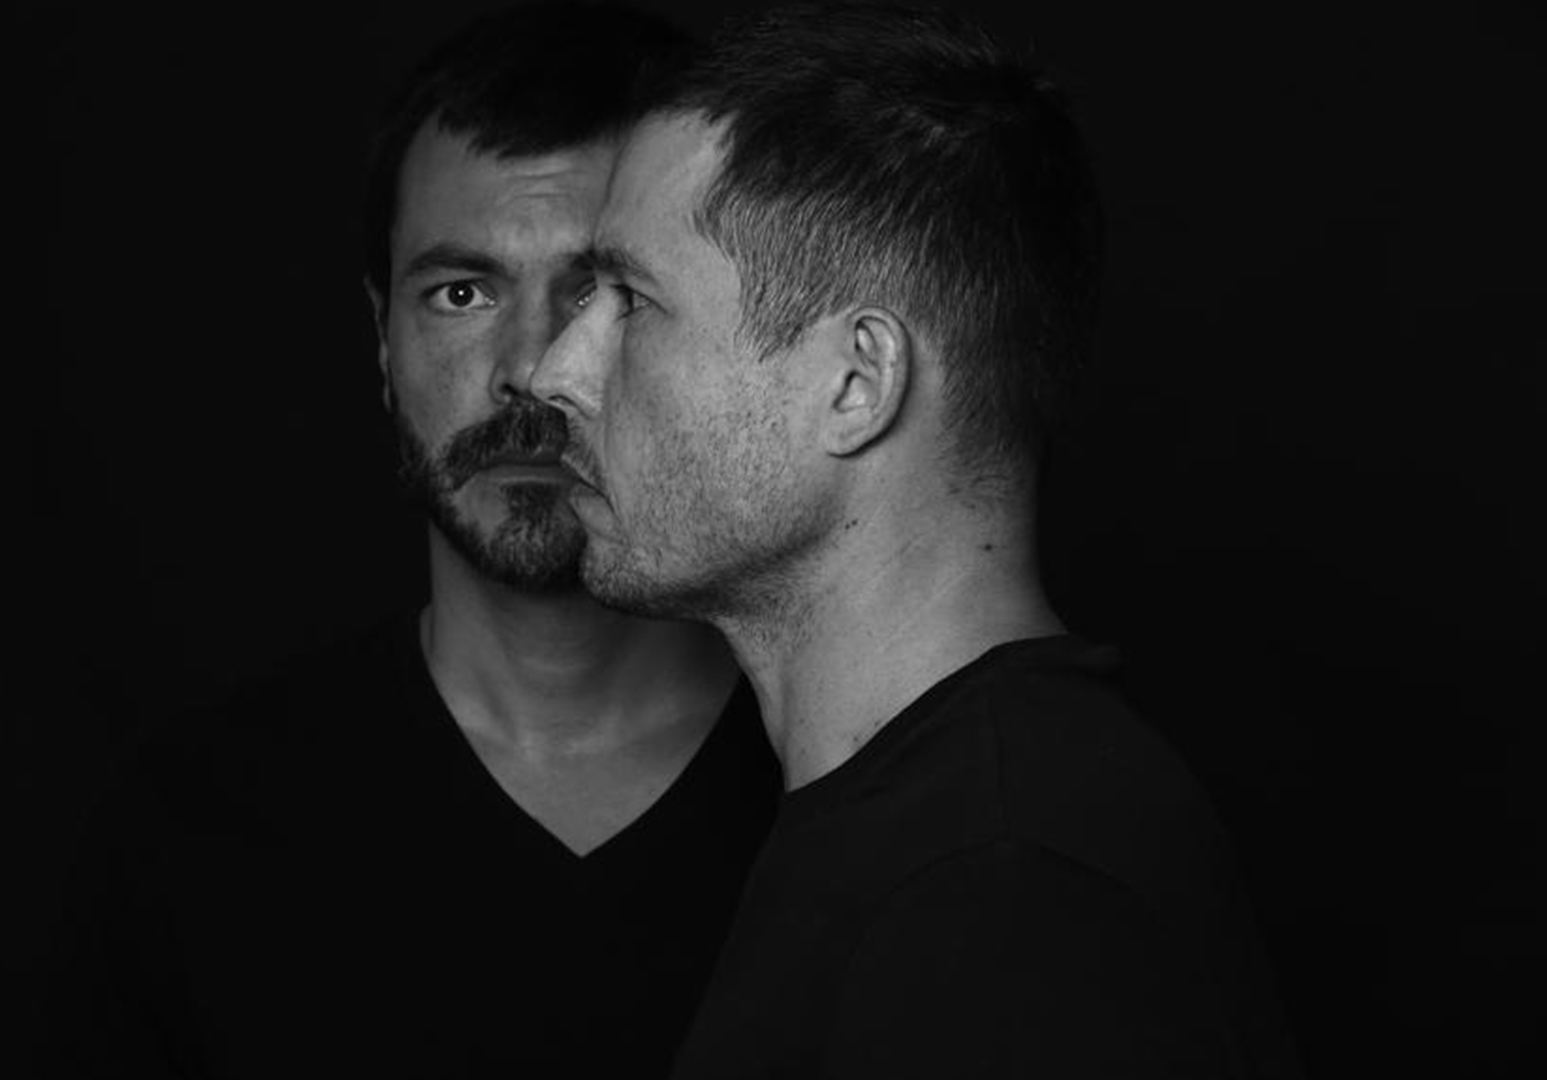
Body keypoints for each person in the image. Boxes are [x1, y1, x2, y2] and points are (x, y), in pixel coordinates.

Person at [531, 3, 1304, 1076]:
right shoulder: (930, 832)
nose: (554, 371)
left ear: (857, 384)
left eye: (631, 301)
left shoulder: (1005, 891)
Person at [42, 4, 779, 1078]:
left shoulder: (869, 805)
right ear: (382, 345)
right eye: (462, 293)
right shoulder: (194, 826)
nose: (531, 370)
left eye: (600, 292)